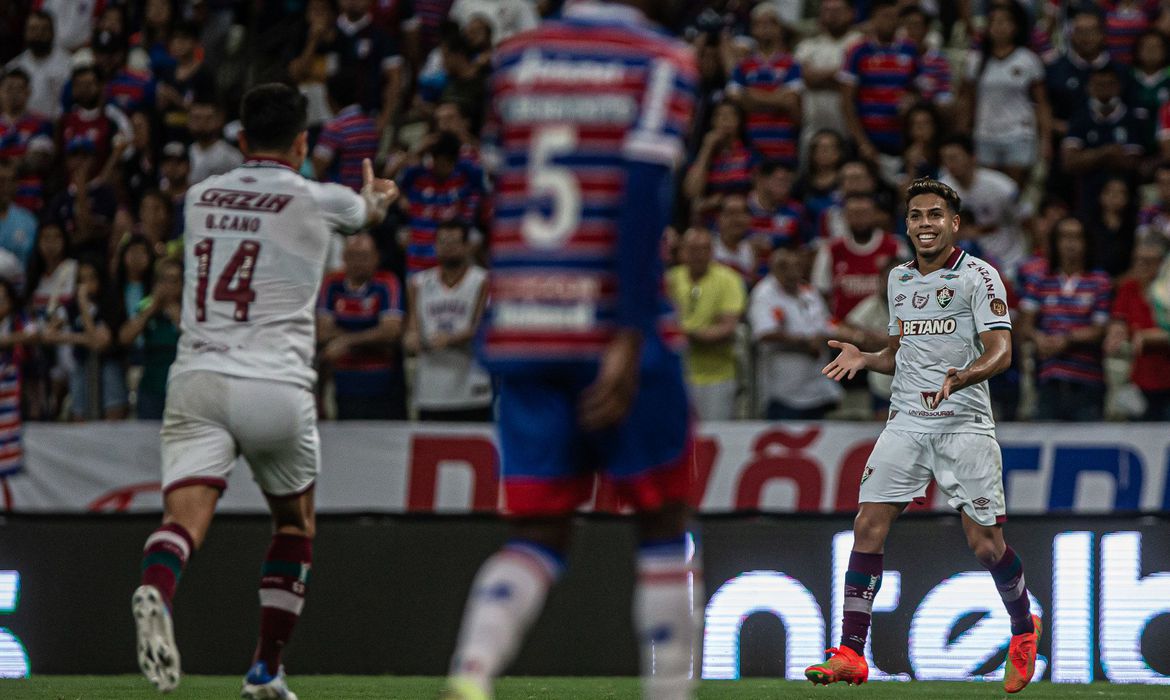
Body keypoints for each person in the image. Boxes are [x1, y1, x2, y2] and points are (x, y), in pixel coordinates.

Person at [442, 1, 699, 698]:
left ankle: (472, 670)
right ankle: (669, 691)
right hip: (609, 322)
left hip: (523, 322)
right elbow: (643, 198)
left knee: (539, 531)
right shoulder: (661, 61)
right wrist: (628, 330)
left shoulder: (515, 60)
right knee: (661, 520)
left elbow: (504, 187)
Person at [131, 83, 397, 698]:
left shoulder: (198, 196)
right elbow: (368, 212)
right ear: (303, 144)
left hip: (197, 378)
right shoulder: (318, 197)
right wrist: (377, 196)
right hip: (275, 386)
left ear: (241, 139)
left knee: (182, 521)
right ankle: (264, 670)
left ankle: (157, 585)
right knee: (295, 524)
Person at [807, 178, 1040, 694]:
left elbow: (1002, 351)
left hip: (964, 424)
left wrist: (963, 376)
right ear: (907, 224)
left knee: (985, 546)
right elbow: (900, 353)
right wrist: (867, 359)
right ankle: (850, 651)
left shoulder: (980, 277)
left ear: (954, 223)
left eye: (936, 214)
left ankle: (1024, 629)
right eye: (916, 215)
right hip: (907, 420)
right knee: (868, 523)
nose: (925, 223)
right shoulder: (898, 280)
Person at [1018, 216, 1112, 422]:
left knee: (1088, 451)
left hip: (1088, 384)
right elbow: (1025, 326)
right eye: (1064, 237)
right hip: (1048, 382)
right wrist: (1038, 338)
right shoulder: (1040, 280)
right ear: (1055, 242)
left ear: (1086, 243)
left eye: (1077, 237)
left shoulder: (1100, 281)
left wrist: (1067, 340)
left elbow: (1100, 329)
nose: (1070, 244)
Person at [404, 219, 492, 421]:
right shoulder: (418, 283)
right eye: (442, 242)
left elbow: (482, 330)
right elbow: (411, 330)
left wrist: (450, 340)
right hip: (430, 390)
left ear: (467, 246)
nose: (447, 248)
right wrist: (411, 339)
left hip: (471, 389)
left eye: (454, 242)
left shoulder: (483, 281)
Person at [316, 232, 406, 420]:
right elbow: (322, 332)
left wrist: (346, 341)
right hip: (344, 385)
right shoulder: (332, 283)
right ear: (344, 258)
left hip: (383, 387)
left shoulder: (387, 282)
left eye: (364, 256)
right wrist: (373, 339)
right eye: (352, 256)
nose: (358, 262)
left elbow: (391, 332)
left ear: (376, 257)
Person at [750, 246, 842, 419]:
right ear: (774, 268)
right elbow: (764, 333)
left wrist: (856, 335)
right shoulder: (764, 294)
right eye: (785, 267)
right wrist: (805, 342)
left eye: (796, 266)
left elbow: (827, 324)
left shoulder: (808, 291)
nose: (792, 272)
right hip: (784, 392)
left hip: (817, 388)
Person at [668, 227, 746, 421]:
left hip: (717, 377)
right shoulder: (670, 279)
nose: (698, 254)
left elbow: (727, 328)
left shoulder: (729, 279)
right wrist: (701, 331)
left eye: (704, 249)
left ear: (712, 251)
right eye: (693, 249)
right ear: (683, 251)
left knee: (712, 435)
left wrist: (686, 333)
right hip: (677, 375)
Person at [1105, 240, 1170, 420]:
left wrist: (1149, 338)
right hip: (1139, 382)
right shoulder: (1129, 288)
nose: (1142, 266)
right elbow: (1119, 319)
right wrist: (1115, 333)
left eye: (1149, 261)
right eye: (1138, 260)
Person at [119, 257, 182, 420]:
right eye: (164, 280)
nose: (169, 286)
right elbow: (125, 337)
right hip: (150, 386)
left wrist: (175, 315)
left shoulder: (188, 310)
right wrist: (152, 308)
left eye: (174, 280)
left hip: (180, 387)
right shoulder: (146, 305)